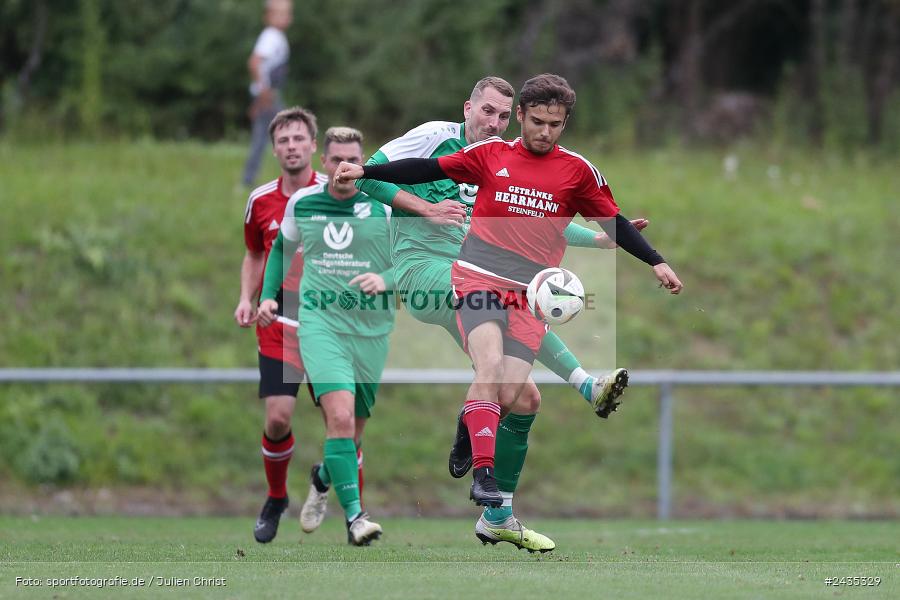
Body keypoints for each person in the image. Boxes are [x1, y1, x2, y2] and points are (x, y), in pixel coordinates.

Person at [336, 73, 682, 541]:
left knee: (521, 396)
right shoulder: (462, 147)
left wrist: (623, 248)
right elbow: (410, 170)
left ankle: (497, 515)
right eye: (492, 113)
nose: (498, 123)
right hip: (441, 273)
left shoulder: (562, 168)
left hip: (507, 283)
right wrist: (390, 187)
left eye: (504, 115)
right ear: (472, 108)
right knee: (492, 366)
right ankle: (579, 389)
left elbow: (542, 217)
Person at [258, 126, 395, 546]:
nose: (345, 168)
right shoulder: (304, 204)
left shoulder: (383, 208)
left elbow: (410, 262)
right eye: (337, 160)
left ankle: (322, 476)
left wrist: (385, 279)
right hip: (320, 326)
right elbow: (281, 251)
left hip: (370, 331)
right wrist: (267, 298)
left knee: (352, 435)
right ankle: (356, 518)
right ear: (325, 163)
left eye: (353, 160)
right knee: (337, 417)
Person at [234, 106, 329, 543]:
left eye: (298, 139)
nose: (291, 147)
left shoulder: (336, 193)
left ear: (313, 145)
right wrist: (246, 298)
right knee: (277, 418)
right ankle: (276, 497)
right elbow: (255, 253)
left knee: (343, 420)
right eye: (283, 140)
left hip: (331, 318)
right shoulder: (261, 200)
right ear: (274, 149)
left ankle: (349, 510)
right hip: (280, 317)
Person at [241, 0, 293, 188]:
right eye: (278, 13)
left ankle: (248, 180)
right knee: (292, 132)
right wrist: (263, 92)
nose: (284, 17)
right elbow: (254, 62)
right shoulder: (271, 36)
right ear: (267, 16)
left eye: (286, 13)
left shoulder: (276, 36)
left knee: (266, 137)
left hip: (269, 94)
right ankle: (296, 180)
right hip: (268, 95)